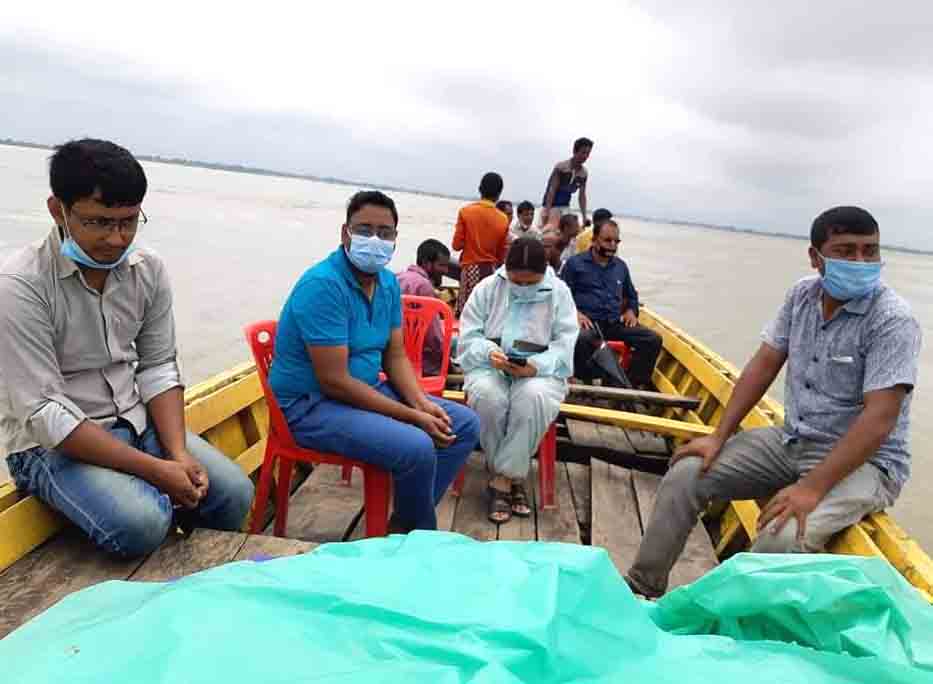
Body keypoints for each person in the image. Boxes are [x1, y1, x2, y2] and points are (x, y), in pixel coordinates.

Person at [626, 206, 922, 599]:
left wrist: (811, 489)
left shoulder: (892, 319)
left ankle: (725, 630)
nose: (861, 261)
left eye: (870, 251)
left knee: (781, 538)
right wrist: (719, 436)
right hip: (794, 440)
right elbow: (763, 366)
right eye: (847, 251)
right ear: (816, 258)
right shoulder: (802, 295)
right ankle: (642, 588)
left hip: (867, 462)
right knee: (686, 474)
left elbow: (880, 419)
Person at [0, 139, 254, 557]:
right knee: (141, 523)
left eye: (129, 221)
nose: (118, 239)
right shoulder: (21, 286)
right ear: (56, 209)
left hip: (136, 422)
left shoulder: (147, 270)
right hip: (49, 445)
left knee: (233, 494)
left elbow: (158, 366)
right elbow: (46, 414)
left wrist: (176, 453)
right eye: (99, 222)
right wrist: (157, 470)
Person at [269, 191, 480, 533]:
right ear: (345, 233)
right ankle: (414, 536)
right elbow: (333, 380)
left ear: (395, 240)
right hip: (311, 406)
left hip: (365, 390)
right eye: (364, 229)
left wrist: (422, 403)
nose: (375, 240)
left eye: (385, 233)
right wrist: (412, 417)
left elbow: (394, 354)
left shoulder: (386, 283)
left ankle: (405, 525)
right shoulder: (323, 285)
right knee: (417, 446)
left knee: (464, 424)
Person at [456, 238, 578, 524]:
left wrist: (535, 366)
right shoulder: (487, 288)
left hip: (540, 370)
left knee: (533, 397)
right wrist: (489, 351)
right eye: (516, 282)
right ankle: (514, 476)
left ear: (544, 272)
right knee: (488, 396)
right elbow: (468, 337)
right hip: (490, 365)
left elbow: (564, 345)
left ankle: (501, 480)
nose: (522, 288)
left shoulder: (560, 293)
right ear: (505, 272)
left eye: (530, 283)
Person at [562, 219, 662, 388]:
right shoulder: (574, 264)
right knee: (582, 339)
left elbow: (631, 296)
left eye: (616, 241)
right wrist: (575, 314)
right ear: (594, 240)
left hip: (614, 324)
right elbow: (561, 297)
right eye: (607, 240)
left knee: (652, 339)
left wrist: (631, 310)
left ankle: (630, 387)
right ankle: (581, 381)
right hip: (587, 325)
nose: (612, 246)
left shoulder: (621, 267)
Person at [452, 172, 509, 315]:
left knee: (466, 313)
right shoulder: (503, 219)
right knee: (486, 313)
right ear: (499, 193)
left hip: (470, 269)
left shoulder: (466, 212)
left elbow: (456, 245)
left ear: (480, 189)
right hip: (490, 271)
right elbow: (501, 255)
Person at [396, 239, 450, 376]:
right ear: (426, 263)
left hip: (393, 355)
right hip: (420, 363)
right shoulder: (424, 286)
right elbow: (435, 340)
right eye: (441, 265)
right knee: (456, 343)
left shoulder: (397, 278)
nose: (446, 271)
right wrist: (449, 363)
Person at [541, 137, 593, 232]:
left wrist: (584, 216)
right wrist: (547, 212)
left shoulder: (583, 173)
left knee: (573, 232)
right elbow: (552, 190)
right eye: (583, 152)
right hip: (551, 205)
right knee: (550, 232)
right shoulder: (561, 167)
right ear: (575, 151)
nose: (585, 156)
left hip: (565, 206)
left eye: (588, 153)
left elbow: (582, 196)